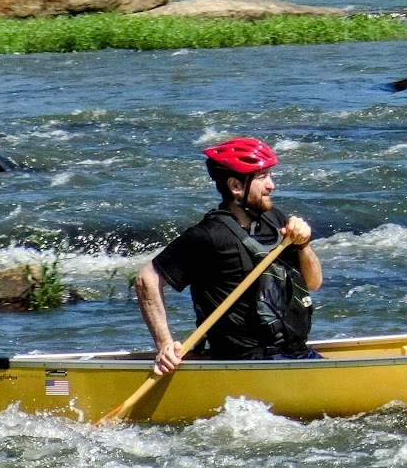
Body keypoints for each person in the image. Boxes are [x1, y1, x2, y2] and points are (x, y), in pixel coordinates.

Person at [134, 137, 324, 376]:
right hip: (246, 364)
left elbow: (313, 283)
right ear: (236, 186)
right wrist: (164, 345)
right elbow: (146, 279)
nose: (271, 185)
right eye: (262, 177)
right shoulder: (208, 236)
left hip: (295, 354)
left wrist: (303, 244)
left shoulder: (274, 220)